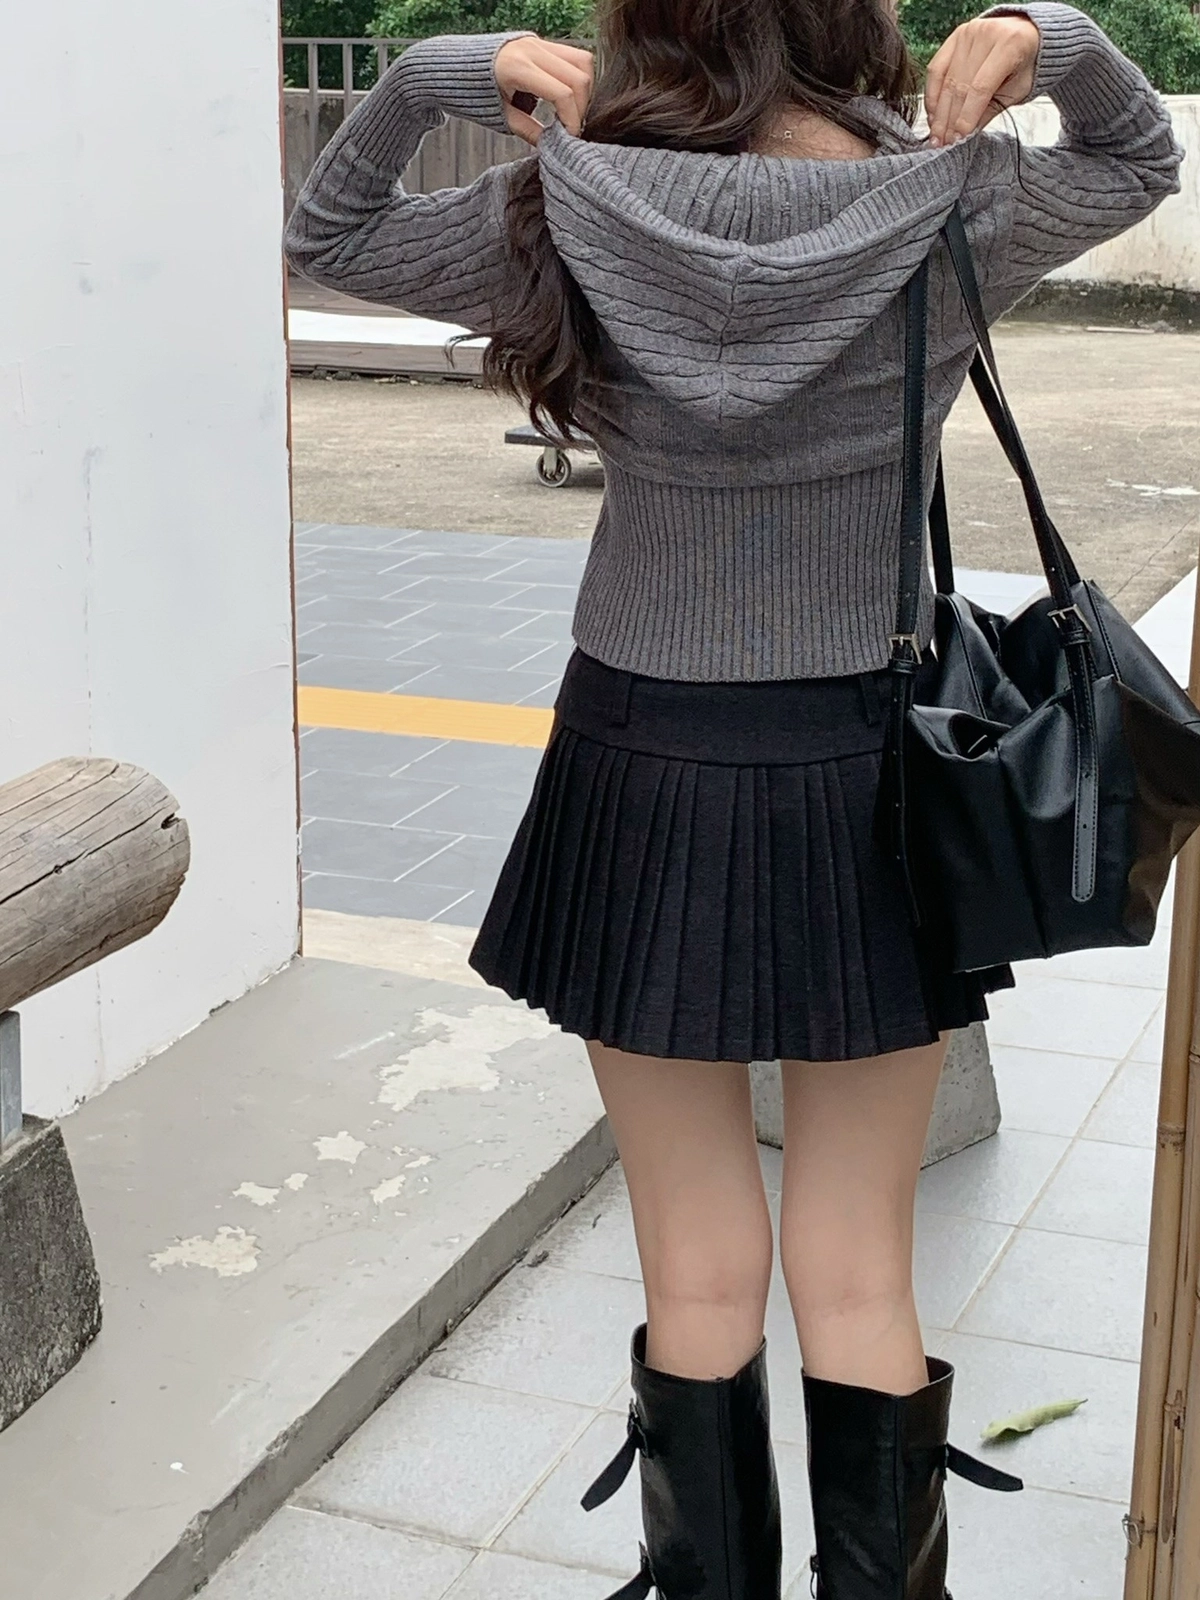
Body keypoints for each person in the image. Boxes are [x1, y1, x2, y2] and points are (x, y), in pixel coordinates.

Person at [286, 4, 1181, 1594]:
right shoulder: (949, 197)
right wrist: (1048, 38)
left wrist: (437, 74)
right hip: (872, 764)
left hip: (639, 757)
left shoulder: (562, 202)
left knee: (695, 1269)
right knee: (862, 1274)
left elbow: (327, 232)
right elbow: (1138, 156)